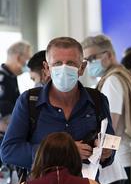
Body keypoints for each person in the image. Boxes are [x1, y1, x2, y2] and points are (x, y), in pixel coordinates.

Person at [1, 37, 114, 170]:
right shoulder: (29, 101)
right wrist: (62, 152)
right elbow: (9, 151)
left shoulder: (98, 100)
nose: (64, 69)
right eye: (58, 63)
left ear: (82, 68)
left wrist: (107, 152)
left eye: (71, 63)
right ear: (47, 68)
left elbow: (110, 146)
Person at [82, 35, 131, 184]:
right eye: (86, 60)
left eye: (92, 58)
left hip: (124, 164)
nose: (89, 64)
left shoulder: (112, 81)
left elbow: (110, 127)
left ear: (109, 55)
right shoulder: (130, 78)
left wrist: (102, 156)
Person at [1, 41, 32, 134]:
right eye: (27, 60)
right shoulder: (2, 78)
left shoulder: (11, 77)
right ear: (18, 58)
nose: (28, 65)